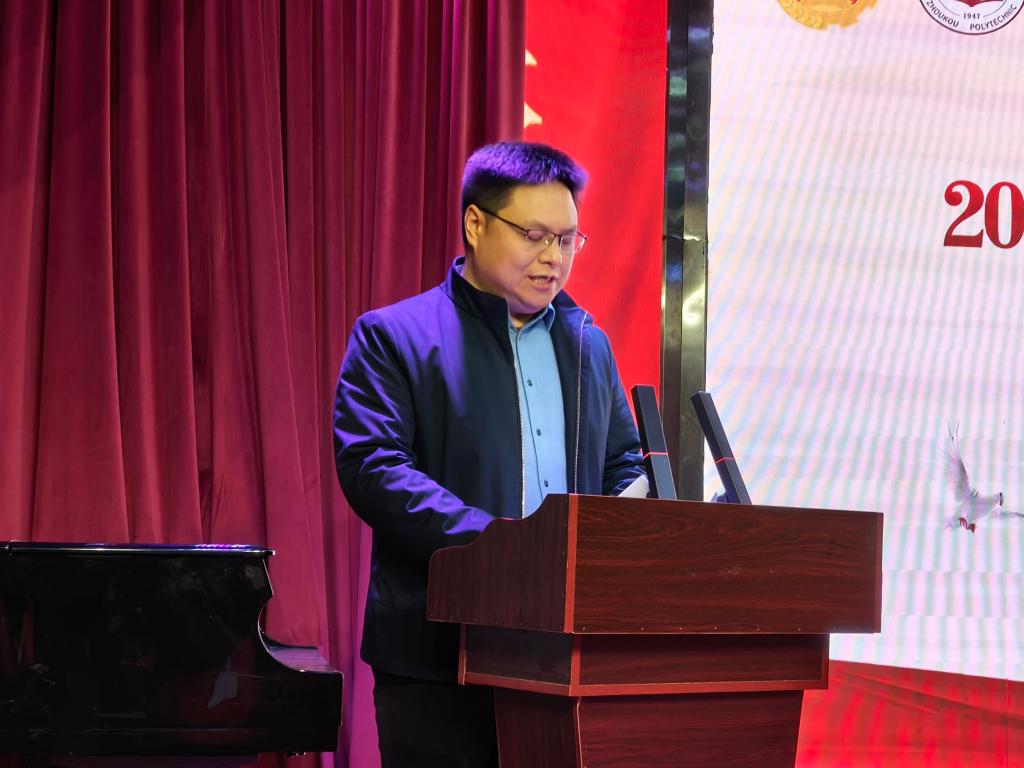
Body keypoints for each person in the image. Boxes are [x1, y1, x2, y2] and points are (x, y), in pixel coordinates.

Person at [333, 141, 644, 767]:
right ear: (475, 223)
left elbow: (622, 465)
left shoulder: (588, 343)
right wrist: (504, 549)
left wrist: (629, 517)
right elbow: (375, 468)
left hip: (566, 659)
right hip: (438, 657)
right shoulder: (394, 336)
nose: (553, 258)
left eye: (567, 240)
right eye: (534, 235)